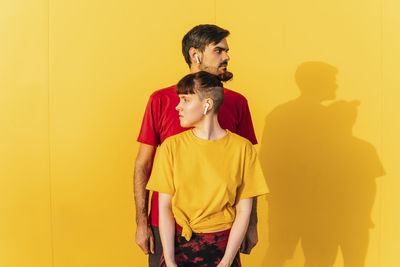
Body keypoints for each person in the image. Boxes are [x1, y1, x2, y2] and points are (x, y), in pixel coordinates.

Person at [134, 24, 259, 267]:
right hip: (166, 225)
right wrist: (141, 222)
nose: (227, 57)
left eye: (226, 51)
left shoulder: (237, 102)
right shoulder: (160, 100)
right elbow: (143, 164)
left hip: (223, 229)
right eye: (219, 51)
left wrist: (252, 224)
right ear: (196, 54)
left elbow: (247, 178)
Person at [146, 71, 268, 267]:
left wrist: (227, 261)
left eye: (185, 100)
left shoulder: (242, 149)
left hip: (223, 249)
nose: (178, 106)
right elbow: (165, 207)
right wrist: (169, 261)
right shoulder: (171, 147)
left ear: (207, 105)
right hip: (178, 248)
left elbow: (244, 210)